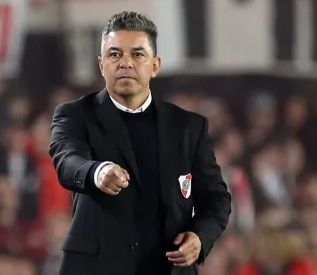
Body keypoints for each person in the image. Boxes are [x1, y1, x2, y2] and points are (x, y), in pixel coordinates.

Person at [49, 11, 231, 275]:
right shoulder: (74, 115)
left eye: (137, 54)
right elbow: (67, 161)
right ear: (102, 65)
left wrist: (200, 237)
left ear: (155, 65)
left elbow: (216, 198)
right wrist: (96, 172)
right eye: (115, 54)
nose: (125, 63)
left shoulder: (189, 126)